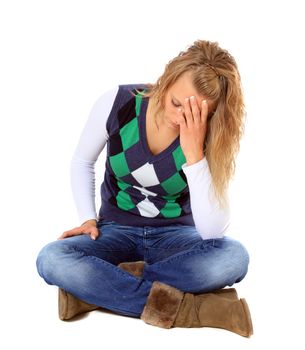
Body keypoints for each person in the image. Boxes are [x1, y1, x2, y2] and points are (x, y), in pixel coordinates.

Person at [36, 40, 253, 337]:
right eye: (177, 104)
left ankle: (96, 289)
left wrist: (194, 155)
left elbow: (213, 231)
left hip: (176, 238)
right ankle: (191, 310)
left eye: (193, 114)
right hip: (114, 230)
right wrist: (88, 217)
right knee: (51, 258)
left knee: (234, 257)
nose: (180, 119)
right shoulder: (119, 102)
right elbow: (82, 161)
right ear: (166, 79)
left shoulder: (210, 133)